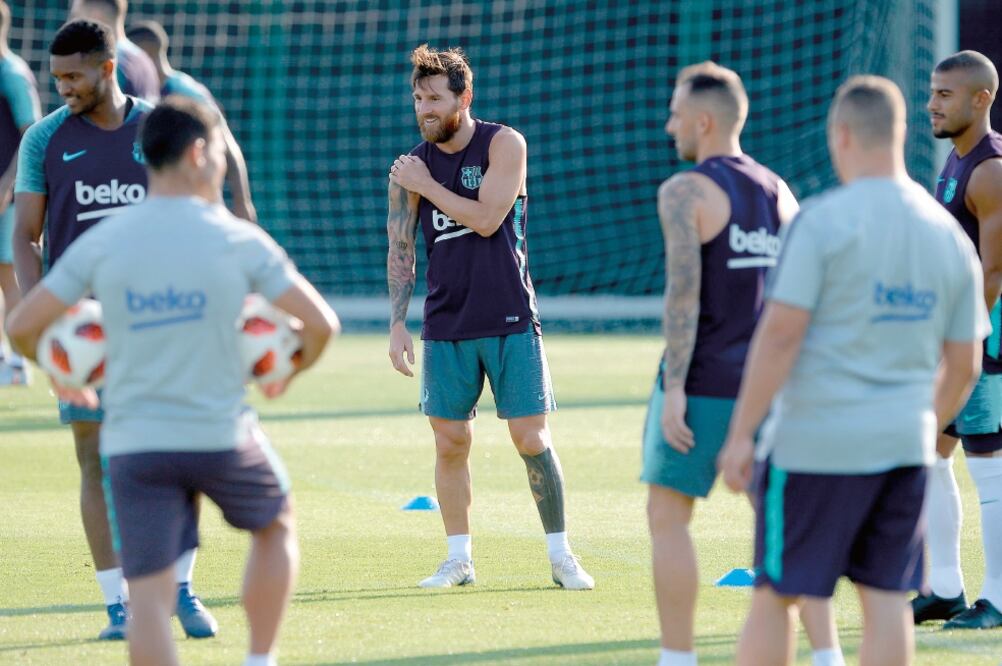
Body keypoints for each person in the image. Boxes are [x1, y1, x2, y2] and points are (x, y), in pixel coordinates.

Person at [7, 95, 339, 666]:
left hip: (135, 444)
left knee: (150, 599)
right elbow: (321, 325)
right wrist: (286, 371)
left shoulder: (103, 241)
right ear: (198, 153)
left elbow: (20, 326)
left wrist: (61, 373)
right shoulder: (237, 238)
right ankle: (260, 660)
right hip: (221, 435)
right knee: (276, 525)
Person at [718, 75, 987, 666]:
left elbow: (781, 335)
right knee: (888, 601)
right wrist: (921, 423)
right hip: (903, 449)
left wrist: (741, 435)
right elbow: (964, 363)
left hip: (814, 447)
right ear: (900, 135)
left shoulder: (821, 220)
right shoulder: (948, 235)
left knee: (777, 594)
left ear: (841, 135)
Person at [11, 19, 214, 640]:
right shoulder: (45, 139)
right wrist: (41, 319)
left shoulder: (159, 126)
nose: (64, 88)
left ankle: (181, 587)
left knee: (178, 454)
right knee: (94, 459)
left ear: (107, 69)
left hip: (164, 320)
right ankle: (117, 604)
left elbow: (196, 212)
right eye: (57, 78)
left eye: (74, 76)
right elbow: (25, 236)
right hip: (84, 335)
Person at [643, 62, 843, 666]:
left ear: (703, 120)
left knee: (668, 516)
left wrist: (674, 386)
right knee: (786, 527)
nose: (670, 123)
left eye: (677, 111)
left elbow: (684, 294)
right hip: (773, 387)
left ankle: (677, 658)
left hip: (702, 385)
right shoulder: (781, 190)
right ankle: (829, 655)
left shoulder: (684, 190)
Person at [386, 44, 593, 590]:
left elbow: (485, 219)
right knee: (449, 441)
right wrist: (396, 322)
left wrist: (427, 187)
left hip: (509, 317)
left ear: (464, 97)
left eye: (434, 98)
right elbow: (401, 248)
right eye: (417, 99)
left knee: (530, 436)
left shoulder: (504, 144)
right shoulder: (409, 168)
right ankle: (459, 559)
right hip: (446, 324)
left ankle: (561, 554)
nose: (424, 108)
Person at [915, 49, 1002, 630]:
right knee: (931, 455)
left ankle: (997, 600)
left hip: (984, 341)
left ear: (981, 99)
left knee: (989, 464)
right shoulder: (955, 160)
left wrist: (964, 347)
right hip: (955, 338)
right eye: (931, 92)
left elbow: (993, 273)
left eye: (945, 94)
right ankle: (944, 587)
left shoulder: (992, 170)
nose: (931, 104)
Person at [126, 19, 256, 223]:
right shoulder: (139, 93)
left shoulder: (185, 92)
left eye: (129, 57)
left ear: (144, 55)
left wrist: (242, 204)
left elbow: (228, 146)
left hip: (197, 205)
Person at [0, 0, 40, 385]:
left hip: (6, 197)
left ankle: (18, 362)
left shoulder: (12, 73)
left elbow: (32, 131)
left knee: (8, 276)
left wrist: (8, 184)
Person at [70, 0, 158, 103]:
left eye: (75, 16)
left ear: (95, 15)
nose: (71, 23)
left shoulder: (108, 61)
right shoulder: (143, 58)